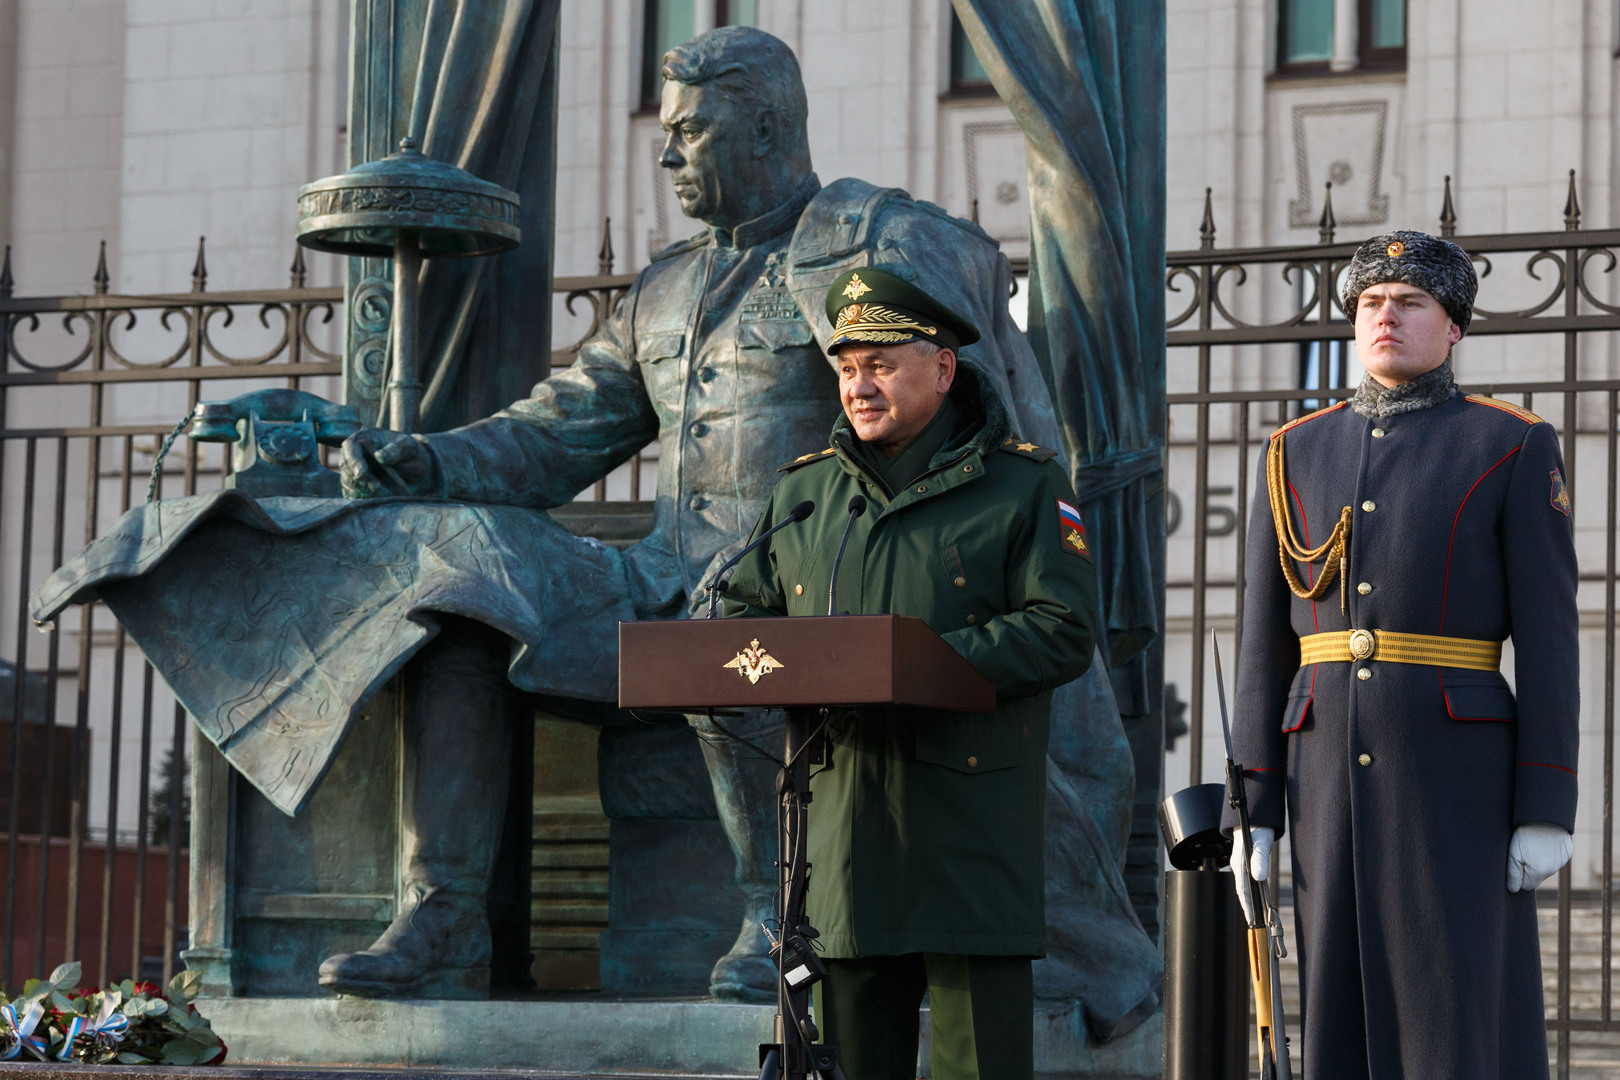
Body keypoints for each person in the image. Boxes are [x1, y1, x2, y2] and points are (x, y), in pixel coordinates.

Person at [324, 26, 1063, 999]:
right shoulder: (665, 287)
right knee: (459, 587)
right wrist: (424, 460)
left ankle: (778, 917)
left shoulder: (856, 250)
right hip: (658, 576)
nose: (668, 156)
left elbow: (951, 422)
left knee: (733, 629)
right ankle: (445, 916)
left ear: (765, 128)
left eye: (692, 134)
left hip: (802, 584)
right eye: (666, 133)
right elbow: (558, 434)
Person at [722, 268, 1101, 1080]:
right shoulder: (805, 494)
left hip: (971, 825)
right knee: (852, 1062)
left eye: (881, 364)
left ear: (942, 366)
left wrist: (916, 666)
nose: (859, 386)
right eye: (848, 367)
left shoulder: (1024, 485)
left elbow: (1062, 631)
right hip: (844, 831)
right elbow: (743, 620)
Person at [1227, 230, 1579, 1078]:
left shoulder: (1510, 443)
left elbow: (1550, 638)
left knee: (1455, 1010)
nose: (1386, 317)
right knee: (1337, 1015)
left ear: (1453, 327)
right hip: (1321, 779)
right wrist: (1255, 807)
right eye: (1371, 304)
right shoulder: (1292, 452)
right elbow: (1263, 643)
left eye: (1410, 303)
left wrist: (1546, 805)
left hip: (1456, 775)